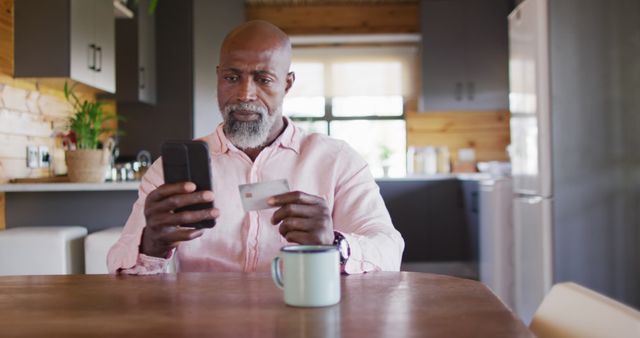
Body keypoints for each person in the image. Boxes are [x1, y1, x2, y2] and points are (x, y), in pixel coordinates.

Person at [107, 20, 404, 275]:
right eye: (232, 77)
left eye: (263, 79)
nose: (245, 94)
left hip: (302, 315)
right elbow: (120, 267)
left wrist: (334, 243)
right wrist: (151, 247)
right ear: (219, 77)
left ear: (287, 85)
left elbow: (389, 250)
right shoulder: (166, 172)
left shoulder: (338, 161)